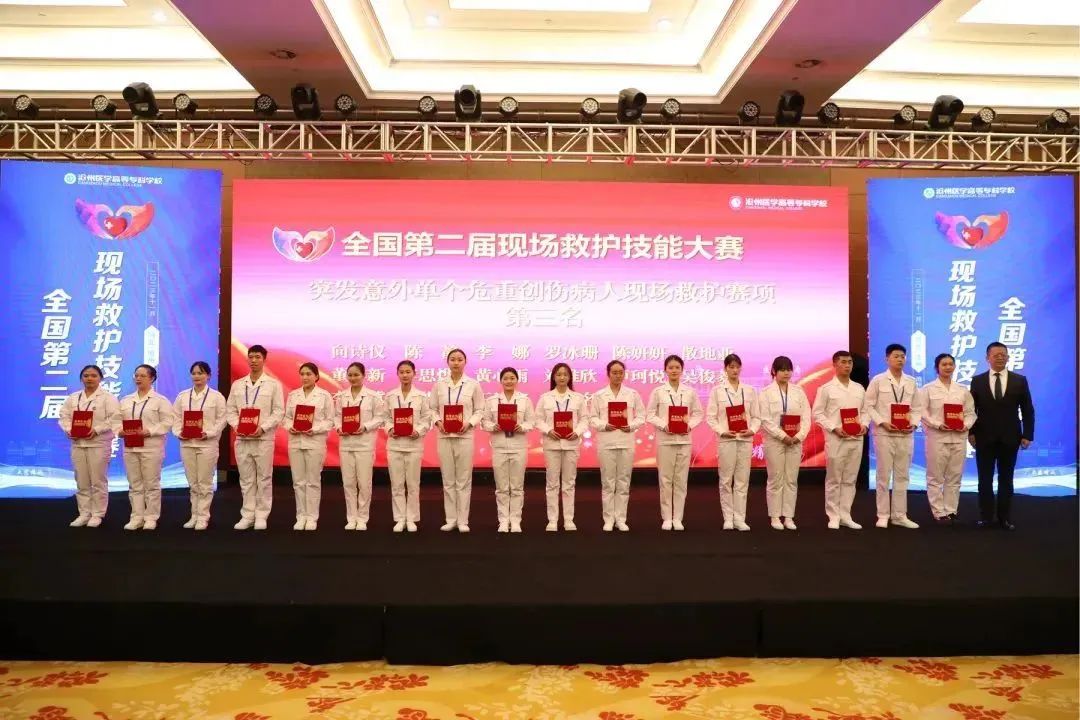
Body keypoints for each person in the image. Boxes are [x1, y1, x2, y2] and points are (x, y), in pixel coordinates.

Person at [969, 342, 1035, 531]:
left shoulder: (1019, 380)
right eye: (996, 354)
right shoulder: (977, 381)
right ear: (987, 358)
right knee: (984, 479)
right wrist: (971, 432)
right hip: (984, 438)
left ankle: (1004, 518)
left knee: (1006, 479)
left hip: (1010, 437)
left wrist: (1028, 434)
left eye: (1003, 354)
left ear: (1008, 357)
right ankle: (986, 517)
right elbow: (971, 410)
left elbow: (1027, 409)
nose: (1000, 357)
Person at [226, 344, 285, 531]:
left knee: (264, 478)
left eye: (257, 357)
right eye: (251, 357)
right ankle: (247, 515)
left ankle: (261, 515)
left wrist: (263, 428)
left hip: (263, 439)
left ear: (264, 359)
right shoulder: (238, 384)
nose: (253, 360)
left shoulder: (273, 384)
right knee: (246, 479)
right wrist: (237, 426)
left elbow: (278, 411)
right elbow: (230, 410)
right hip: (242, 439)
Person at [430, 349, 486, 533]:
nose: (456, 362)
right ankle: (451, 519)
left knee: (463, 479)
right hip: (444, 436)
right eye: (452, 359)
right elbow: (432, 409)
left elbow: (480, 410)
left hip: (465, 436)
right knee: (448, 479)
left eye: (459, 359)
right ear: (447, 362)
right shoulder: (439, 385)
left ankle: (463, 520)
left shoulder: (473, 384)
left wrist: (469, 423)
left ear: (465, 362)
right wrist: (438, 421)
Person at [865, 343, 921, 529]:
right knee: (883, 475)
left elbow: (917, 407)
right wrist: (882, 422)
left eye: (903, 356)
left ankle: (900, 515)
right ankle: (882, 514)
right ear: (887, 359)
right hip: (884, 434)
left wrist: (913, 423)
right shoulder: (878, 380)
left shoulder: (911, 381)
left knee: (902, 475)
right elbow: (868, 406)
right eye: (896, 356)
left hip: (905, 434)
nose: (900, 359)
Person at [113, 364, 175, 531]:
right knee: (134, 484)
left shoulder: (160, 400)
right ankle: (136, 517)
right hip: (131, 447)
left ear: (152, 378)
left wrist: (149, 431)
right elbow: (116, 420)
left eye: (142, 376)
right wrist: (119, 430)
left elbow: (168, 422)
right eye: (136, 375)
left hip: (151, 447)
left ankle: (151, 517)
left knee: (151, 484)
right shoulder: (126, 400)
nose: (138, 378)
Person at [646, 354, 704, 531]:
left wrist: (689, 425)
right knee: (665, 480)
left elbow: (698, 413)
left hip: (684, 441)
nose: (674, 370)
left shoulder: (690, 392)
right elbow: (650, 414)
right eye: (670, 367)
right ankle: (666, 518)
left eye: (677, 367)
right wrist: (664, 425)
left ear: (682, 370)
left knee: (680, 480)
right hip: (665, 441)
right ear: (665, 370)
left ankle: (678, 518)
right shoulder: (658, 391)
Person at [812, 351, 869, 530]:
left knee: (850, 478)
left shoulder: (859, 388)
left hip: (856, 439)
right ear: (835, 365)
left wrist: (865, 424)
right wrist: (834, 427)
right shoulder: (826, 388)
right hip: (836, 438)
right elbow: (817, 413)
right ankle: (833, 515)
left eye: (849, 362)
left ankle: (846, 514)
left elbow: (866, 411)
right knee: (834, 478)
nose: (847, 365)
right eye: (843, 362)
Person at [916, 353, 976, 525]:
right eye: (944, 364)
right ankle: (938, 512)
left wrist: (966, 425)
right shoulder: (928, 389)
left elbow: (970, 413)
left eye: (951, 364)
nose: (948, 367)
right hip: (937, 437)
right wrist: (937, 424)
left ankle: (951, 510)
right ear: (937, 367)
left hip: (958, 437)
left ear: (954, 367)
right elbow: (921, 411)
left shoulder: (962, 390)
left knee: (954, 476)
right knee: (935, 477)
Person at [58, 365, 120, 527]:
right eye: (86, 376)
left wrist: (97, 430)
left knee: (98, 480)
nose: (89, 378)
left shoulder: (108, 398)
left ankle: (98, 514)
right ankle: (84, 513)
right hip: (78, 444)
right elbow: (64, 416)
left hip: (98, 443)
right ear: (81, 378)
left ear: (100, 378)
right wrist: (68, 429)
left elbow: (114, 419)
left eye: (93, 375)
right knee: (81, 480)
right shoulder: (74, 398)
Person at [588, 360, 646, 532]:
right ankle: (608, 519)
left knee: (623, 482)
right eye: (614, 372)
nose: (618, 375)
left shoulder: (632, 394)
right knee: (608, 482)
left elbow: (641, 416)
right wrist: (604, 425)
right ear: (608, 374)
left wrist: (631, 425)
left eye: (621, 372)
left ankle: (621, 519)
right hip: (606, 442)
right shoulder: (599, 395)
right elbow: (592, 418)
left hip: (626, 441)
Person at [705, 353, 760, 531]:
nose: (735, 370)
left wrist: (752, 430)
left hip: (745, 439)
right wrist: (722, 431)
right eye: (731, 367)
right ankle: (728, 518)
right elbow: (710, 417)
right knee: (726, 480)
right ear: (725, 369)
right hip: (726, 440)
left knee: (742, 480)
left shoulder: (749, 390)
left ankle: (740, 518)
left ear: (741, 368)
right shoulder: (717, 391)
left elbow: (757, 417)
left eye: (737, 367)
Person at [172, 361, 227, 530]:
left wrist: (209, 433)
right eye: (194, 373)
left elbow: (222, 420)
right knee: (193, 482)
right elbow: (176, 418)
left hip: (207, 444)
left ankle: (203, 516)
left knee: (204, 482)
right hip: (187, 444)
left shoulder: (216, 397)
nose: (197, 376)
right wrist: (178, 432)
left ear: (208, 376)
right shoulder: (182, 396)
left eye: (201, 373)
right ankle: (194, 515)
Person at [535, 362, 588, 531]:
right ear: (553, 377)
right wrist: (548, 430)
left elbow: (584, 419)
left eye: (565, 374)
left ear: (570, 377)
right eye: (558, 374)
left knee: (569, 483)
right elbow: (538, 419)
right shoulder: (545, 397)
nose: (562, 377)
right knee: (552, 483)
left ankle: (569, 519)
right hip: (552, 444)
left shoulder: (578, 398)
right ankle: (552, 520)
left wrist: (577, 432)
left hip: (571, 444)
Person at [759, 356, 810, 530]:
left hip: (795, 441)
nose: (786, 373)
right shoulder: (766, 393)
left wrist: (799, 436)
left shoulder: (799, 391)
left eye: (789, 369)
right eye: (782, 369)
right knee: (775, 478)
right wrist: (783, 436)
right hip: (775, 441)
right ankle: (775, 517)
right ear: (774, 371)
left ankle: (788, 517)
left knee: (791, 479)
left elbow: (806, 416)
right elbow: (765, 419)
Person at [481, 367, 535, 533]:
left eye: (512, 378)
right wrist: (493, 426)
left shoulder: (525, 400)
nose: (509, 381)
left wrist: (522, 427)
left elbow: (531, 422)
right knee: (502, 487)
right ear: (501, 381)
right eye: (505, 378)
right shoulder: (492, 401)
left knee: (517, 486)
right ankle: (503, 520)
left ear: (517, 380)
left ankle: (516, 520)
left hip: (518, 446)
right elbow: (484, 422)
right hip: (499, 446)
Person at [334, 362, 386, 531]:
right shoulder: (341, 397)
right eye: (350, 375)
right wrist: (339, 427)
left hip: (364, 444)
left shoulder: (373, 396)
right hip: (346, 444)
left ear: (363, 376)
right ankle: (351, 517)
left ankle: (362, 517)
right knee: (348, 482)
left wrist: (365, 427)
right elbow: (336, 417)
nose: (353, 378)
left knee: (364, 483)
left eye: (356, 374)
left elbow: (380, 418)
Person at [285, 362, 334, 531]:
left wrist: (315, 429)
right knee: (298, 481)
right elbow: (286, 418)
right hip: (296, 441)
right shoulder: (293, 395)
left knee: (313, 481)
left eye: (309, 374)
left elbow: (330, 421)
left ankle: (312, 517)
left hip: (315, 442)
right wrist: (290, 426)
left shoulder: (324, 396)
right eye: (302, 374)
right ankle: (301, 516)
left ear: (316, 376)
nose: (305, 377)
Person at [384, 360, 431, 533]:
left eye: (408, 372)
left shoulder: (421, 396)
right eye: (402, 372)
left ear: (414, 374)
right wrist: (390, 429)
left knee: (412, 484)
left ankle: (411, 518)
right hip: (395, 445)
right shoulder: (390, 396)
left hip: (414, 445)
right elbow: (385, 417)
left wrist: (418, 431)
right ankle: (399, 518)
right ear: (397, 374)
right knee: (397, 484)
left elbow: (427, 418)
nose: (405, 375)